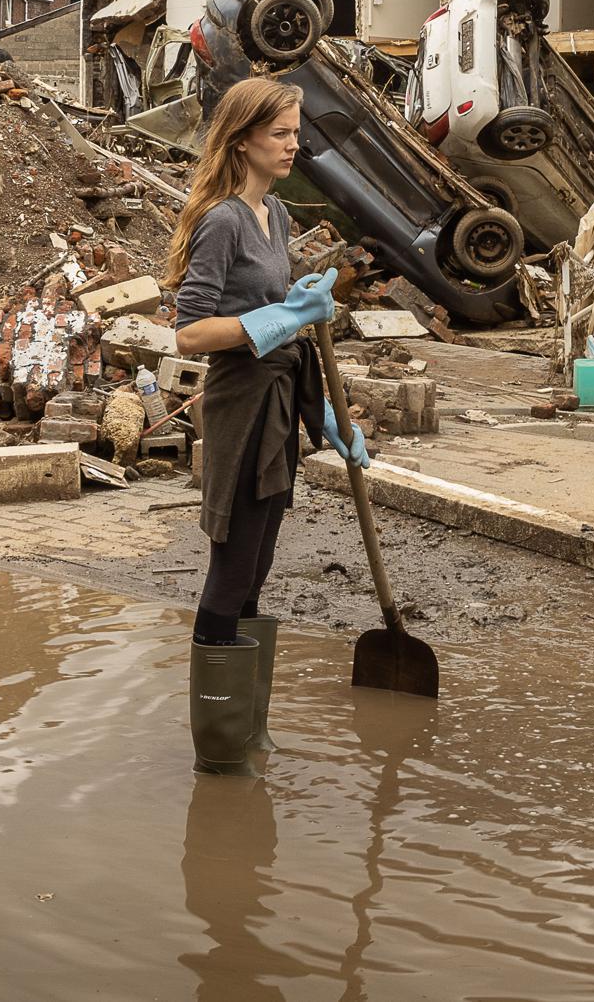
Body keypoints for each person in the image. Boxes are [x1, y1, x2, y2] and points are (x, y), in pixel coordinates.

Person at [167, 76, 370, 775]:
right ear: (243, 136)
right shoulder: (221, 219)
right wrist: (286, 314)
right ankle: (217, 742)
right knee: (231, 564)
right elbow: (189, 334)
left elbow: (287, 338)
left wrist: (328, 420)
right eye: (281, 132)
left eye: (295, 131)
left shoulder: (275, 217)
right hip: (239, 407)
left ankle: (245, 726)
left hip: (281, 401)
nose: (294, 143)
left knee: (258, 563)